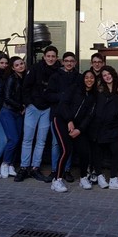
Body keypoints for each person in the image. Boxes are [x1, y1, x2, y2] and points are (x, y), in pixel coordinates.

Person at [15, 46, 60, 183]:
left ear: (56, 57)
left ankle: (35, 168)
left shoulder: (59, 71)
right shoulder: (35, 68)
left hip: (47, 109)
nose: (51, 59)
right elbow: (25, 87)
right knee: (28, 139)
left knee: (41, 140)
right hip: (33, 107)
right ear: (44, 57)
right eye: (48, 56)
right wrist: (28, 103)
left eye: (53, 56)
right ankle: (24, 168)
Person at [51, 70, 97, 193]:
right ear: (83, 79)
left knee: (84, 151)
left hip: (77, 126)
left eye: (91, 78)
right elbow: (63, 104)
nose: (89, 80)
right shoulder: (74, 88)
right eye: (86, 77)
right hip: (61, 120)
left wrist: (80, 129)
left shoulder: (93, 95)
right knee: (66, 149)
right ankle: (57, 180)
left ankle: (83, 178)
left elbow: (89, 115)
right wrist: (69, 120)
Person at [90, 65, 118, 190]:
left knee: (117, 150)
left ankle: (113, 178)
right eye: (104, 75)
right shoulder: (99, 89)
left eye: (109, 74)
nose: (107, 77)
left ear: (113, 73)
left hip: (114, 125)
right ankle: (100, 176)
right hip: (99, 125)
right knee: (98, 151)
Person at [45, 51, 80, 182]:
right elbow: (48, 95)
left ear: (75, 63)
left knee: (68, 143)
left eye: (72, 61)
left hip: (72, 116)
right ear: (63, 62)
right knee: (55, 144)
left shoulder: (79, 77)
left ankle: (66, 170)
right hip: (57, 114)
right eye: (67, 61)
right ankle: (55, 170)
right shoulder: (55, 76)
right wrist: (63, 96)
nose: (69, 63)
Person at [0, 56, 26, 179]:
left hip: (18, 112)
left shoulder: (23, 77)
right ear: (12, 68)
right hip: (8, 111)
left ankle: (11, 165)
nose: (20, 66)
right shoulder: (11, 78)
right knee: (13, 139)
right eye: (17, 65)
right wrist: (21, 106)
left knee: (18, 139)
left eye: (21, 63)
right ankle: (4, 163)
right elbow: (7, 97)